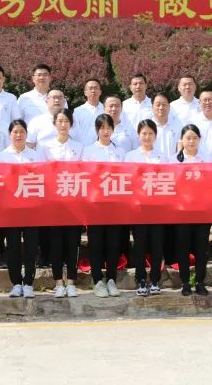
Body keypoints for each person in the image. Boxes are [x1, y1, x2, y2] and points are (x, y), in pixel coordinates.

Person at [40, 108, 84, 298]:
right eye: (60, 121)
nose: (63, 124)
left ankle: (71, 282)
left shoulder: (79, 147)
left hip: (74, 203)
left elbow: (83, 173)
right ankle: (58, 282)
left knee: (73, 243)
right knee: (56, 244)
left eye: (66, 121)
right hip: (54, 203)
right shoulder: (46, 147)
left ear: (71, 124)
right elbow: (42, 174)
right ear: (54, 124)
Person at [0, 119, 42, 298]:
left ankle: (29, 283)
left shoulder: (35, 156)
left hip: (31, 208)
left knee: (31, 247)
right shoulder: (2, 156)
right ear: (10, 134)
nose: (18, 135)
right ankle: (16, 283)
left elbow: (42, 179)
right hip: (11, 209)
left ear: (26, 134)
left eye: (22, 132)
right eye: (15, 132)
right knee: (13, 247)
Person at [82, 114, 126, 298]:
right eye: (102, 128)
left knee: (113, 244)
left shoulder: (120, 152)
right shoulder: (88, 151)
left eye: (108, 127)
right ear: (97, 130)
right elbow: (85, 177)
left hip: (114, 205)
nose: (105, 131)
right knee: (96, 243)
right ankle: (97, 280)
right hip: (95, 205)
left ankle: (111, 279)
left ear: (113, 129)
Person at [125, 119, 168, 296]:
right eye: (144, 133)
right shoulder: (130, 156)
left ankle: (155, 279)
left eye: (150, 133)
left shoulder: (162, 156)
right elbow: (127, 181)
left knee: (157, 244)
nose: (147, 137)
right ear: (138, 135)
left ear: (155, 136)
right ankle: (141, 279)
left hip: (157, 208)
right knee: (140, 245)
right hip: (139, 208)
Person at [174, 124, 210, 296]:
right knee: (183, 247)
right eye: (188, 138)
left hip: (202, 211)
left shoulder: (206, 159)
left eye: (195, 138)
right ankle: (185, 282)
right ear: (182, 140)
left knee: (201, 248)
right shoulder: (174, 160)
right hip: (182, 211)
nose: (191, 141)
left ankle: (200, 282)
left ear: (199, 140)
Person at [148, 93, 182, 161]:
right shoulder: (147, 127)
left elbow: (180, 149)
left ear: (169, 107)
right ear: (152, 107)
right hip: (152, 165)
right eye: (158, 105)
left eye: (164, 104)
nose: (161, 107)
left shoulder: (178, 126)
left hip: (172, 165)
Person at [72, 78, 105, 145]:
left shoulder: (106, 110)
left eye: (96, 88)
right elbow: (74, 132)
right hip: (84, 148)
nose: (93, 91)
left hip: (103, 148)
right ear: (85, 93)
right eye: (90, 88)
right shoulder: (77, 111)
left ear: (100, 92)